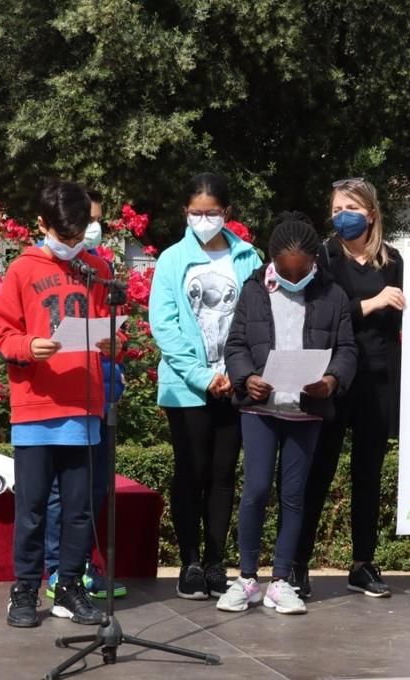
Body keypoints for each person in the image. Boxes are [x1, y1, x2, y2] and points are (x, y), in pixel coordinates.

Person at [218, 212, 357, 615]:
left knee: (293, 496)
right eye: (284, 270)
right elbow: (237, 345)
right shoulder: (254, 291)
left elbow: (347, 350)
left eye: (301, 271)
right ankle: (246, 579)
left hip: (306, 410)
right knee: (257, 490)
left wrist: (330, 382)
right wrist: (247, 378)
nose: (293, 277)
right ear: (271, 262)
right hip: (260, 409)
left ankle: (282, 580)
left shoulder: (332, 296)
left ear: (315, 262)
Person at [0, 181, 114, 628]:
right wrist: (29, 345)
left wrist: (109, 339)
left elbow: (111, 331)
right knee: (33, 509)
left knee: (81, 508)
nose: (71, 243)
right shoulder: (22, 270)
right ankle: (24, 589)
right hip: (36, 409)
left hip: (83, 408)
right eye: (63, 235)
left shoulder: (97, 268)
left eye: (79, 232)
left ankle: (70, 587)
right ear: (41, 225)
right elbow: (3, 334)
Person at [149, 172, 262, 600]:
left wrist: (238, 372)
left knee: (222, 475)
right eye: (195, 213)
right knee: (190, 471)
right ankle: (190, 561)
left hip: (234, 384)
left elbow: (256, 319)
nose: (203, 219)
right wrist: (202, 375)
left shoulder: (249, 257)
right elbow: (165, 325)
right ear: (185, 213)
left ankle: (216, 561)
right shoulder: (172, 260)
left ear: (227, 213)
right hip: (186, 387)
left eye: (211, 212)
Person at [292, 177, 403, 600]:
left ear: (371, 213)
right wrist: (371, 304)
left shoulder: (392, 261)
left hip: (377, 381)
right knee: (317, 472)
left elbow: (401, 324)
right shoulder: (323, 256)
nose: (343, 216)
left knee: (368, 476)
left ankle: (363, 563)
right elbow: (322, 315)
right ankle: (298, 564)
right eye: (337, 209)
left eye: (351, 208)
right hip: (334, 379)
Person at [43, 189, 127, 601]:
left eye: (96, 220)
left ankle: (82, 565)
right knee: (62, 492)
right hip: (62, 396)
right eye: (84, 221)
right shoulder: (43, 267)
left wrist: (118, 342)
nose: (90, 228)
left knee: (93, 489)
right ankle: (57, 569)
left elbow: (115, 330)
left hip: (101, 394)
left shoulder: (100, 268)